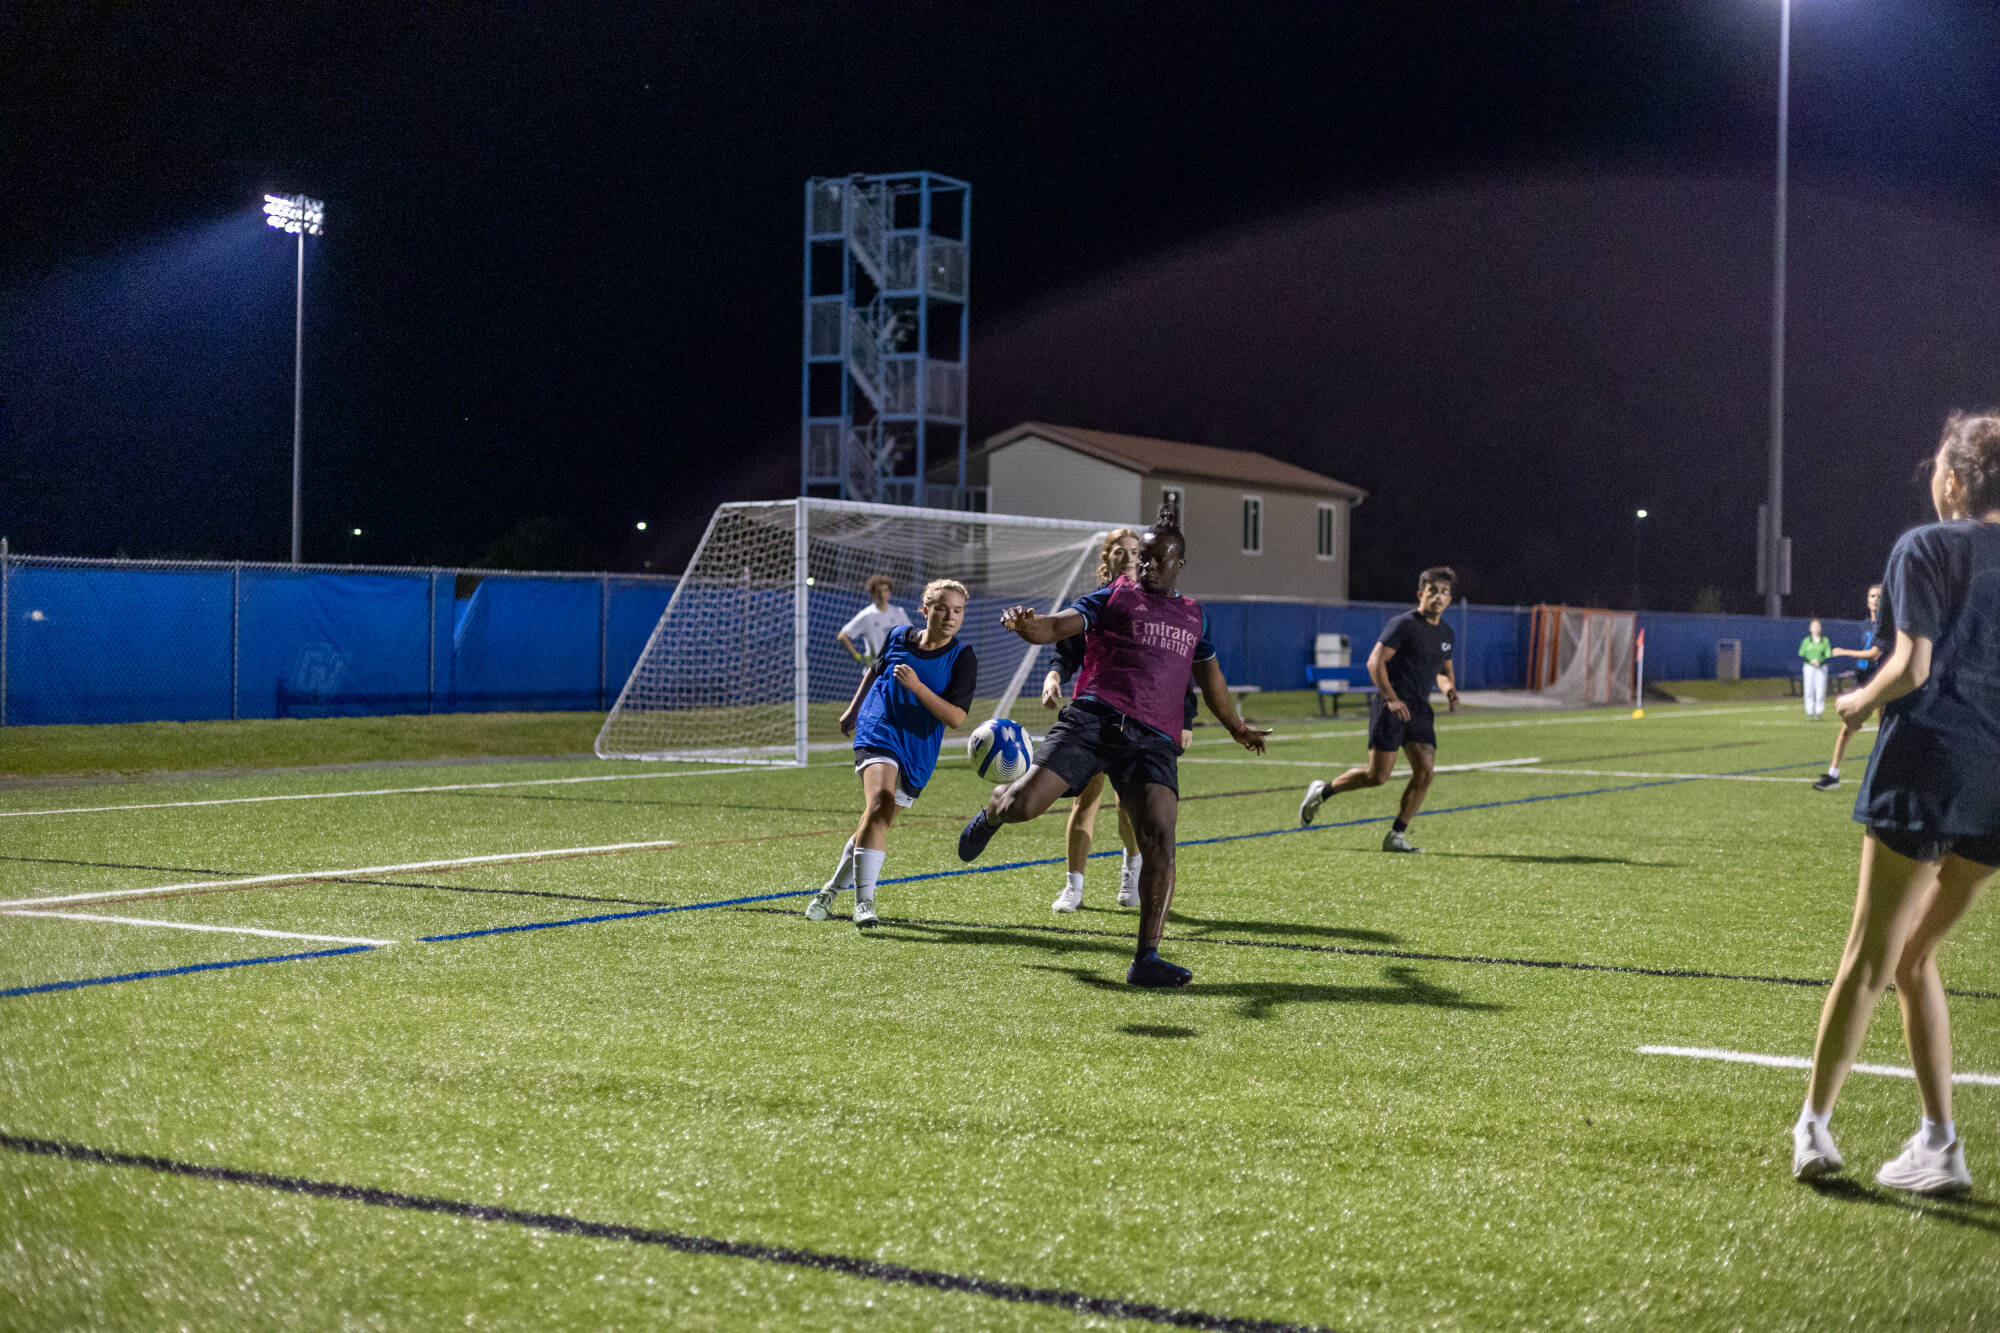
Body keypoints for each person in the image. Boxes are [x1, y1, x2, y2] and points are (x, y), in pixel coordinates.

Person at [1792, 411, 2000, 1195]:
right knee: (1916, 957)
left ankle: (1813, 1126)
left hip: (1925, 767)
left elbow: (1909, 668)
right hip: (1996, 786)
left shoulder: (1926, 545)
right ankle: (1940, 1142)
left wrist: (1855, 704)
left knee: (1871, 954)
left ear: (1953, 480)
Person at [955, 497, 1271, 987]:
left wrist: (1236, 727)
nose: (1146, 565)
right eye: (1141, 557)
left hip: (1152, 741)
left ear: (1179, 564)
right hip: (1094, 721)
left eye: (1157, 558)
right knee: (1022, 806)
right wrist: (1028, 626)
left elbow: (1212, 680)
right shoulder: (1114, 596)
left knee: (1160, 843)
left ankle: (1146, 959)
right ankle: (993, 811)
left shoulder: (1195, 616)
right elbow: (1059, 626)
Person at [805, 579, 977, 929]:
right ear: (925, 610)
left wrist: (917, 686)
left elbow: (956, 718)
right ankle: (864, 903)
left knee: (876, 821)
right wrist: (854, 710)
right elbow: (875, 670)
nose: (950, 616)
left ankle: (829, 891)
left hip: (918, 744)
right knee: (880, 802)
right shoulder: (899, 635)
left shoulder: (963, 658)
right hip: (879, 727)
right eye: (942, 608)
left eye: (957, 610)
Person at [1041, 527, 1197, 914]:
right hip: (1094, 714)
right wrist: (1055, 674)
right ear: (1107, 557)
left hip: (1140, 720)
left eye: (1134, 551)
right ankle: (1073, 886)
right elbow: (1067, 649)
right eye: (1122, 551)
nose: (1129, 557)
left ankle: (1131, 873)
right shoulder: (1096, 601)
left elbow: (1176, 667)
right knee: (1085, 802)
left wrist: (1187, 718)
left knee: (1129, 808)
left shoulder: (1154, 600)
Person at [1297, 567, 1460, 852]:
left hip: (1419, 710)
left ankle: (1396, 835)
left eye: (1445, 592)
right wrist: (1391, 698)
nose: (1439, 597)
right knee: (1378, 777)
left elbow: (1444, 671)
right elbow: (1375, 662)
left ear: (1449, 599)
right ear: (1421, 594)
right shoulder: (1404, 624)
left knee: (1425, 771)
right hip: (1392, 706)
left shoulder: (1446, 633)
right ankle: (1322, 792)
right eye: (1433, 591)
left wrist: (1449, 691)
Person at [1813, 584, 1889, 790]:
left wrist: (1845, 652)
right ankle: (1833, 775)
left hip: (1879, 680)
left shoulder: (1887, 624)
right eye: (1872, 595)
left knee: (1885, 731)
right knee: (1847, 727)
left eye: (1879, 596)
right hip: (1863, 680)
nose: (1875, 599)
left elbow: (1875, 653)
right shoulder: (1865, 624)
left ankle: (1884, 777)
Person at [835, 574, 913, 669]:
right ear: (872, 593)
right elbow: (842, 636)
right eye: (878, 591)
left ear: (890, 592)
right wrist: (858, 657)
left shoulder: (899, 612)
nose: (882, 595)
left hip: (896, 668)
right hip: (875, 670)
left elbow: (911, 636)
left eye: (885, 590)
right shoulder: (866, 615)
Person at [1798, 619, 1834, 719]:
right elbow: (1802, 653)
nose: (1816, 629)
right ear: (1810, 628)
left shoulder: (1825, 641)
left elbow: (1828, 654)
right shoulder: (1806, 641)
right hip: (1808, 667)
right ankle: (1809, 711)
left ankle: (1819, 712)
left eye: (1818, 626)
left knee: (1820, 689)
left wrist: (1820, 661)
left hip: (1821, 667)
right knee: (1808, 689)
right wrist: (1811, 661)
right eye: (1814, 627)